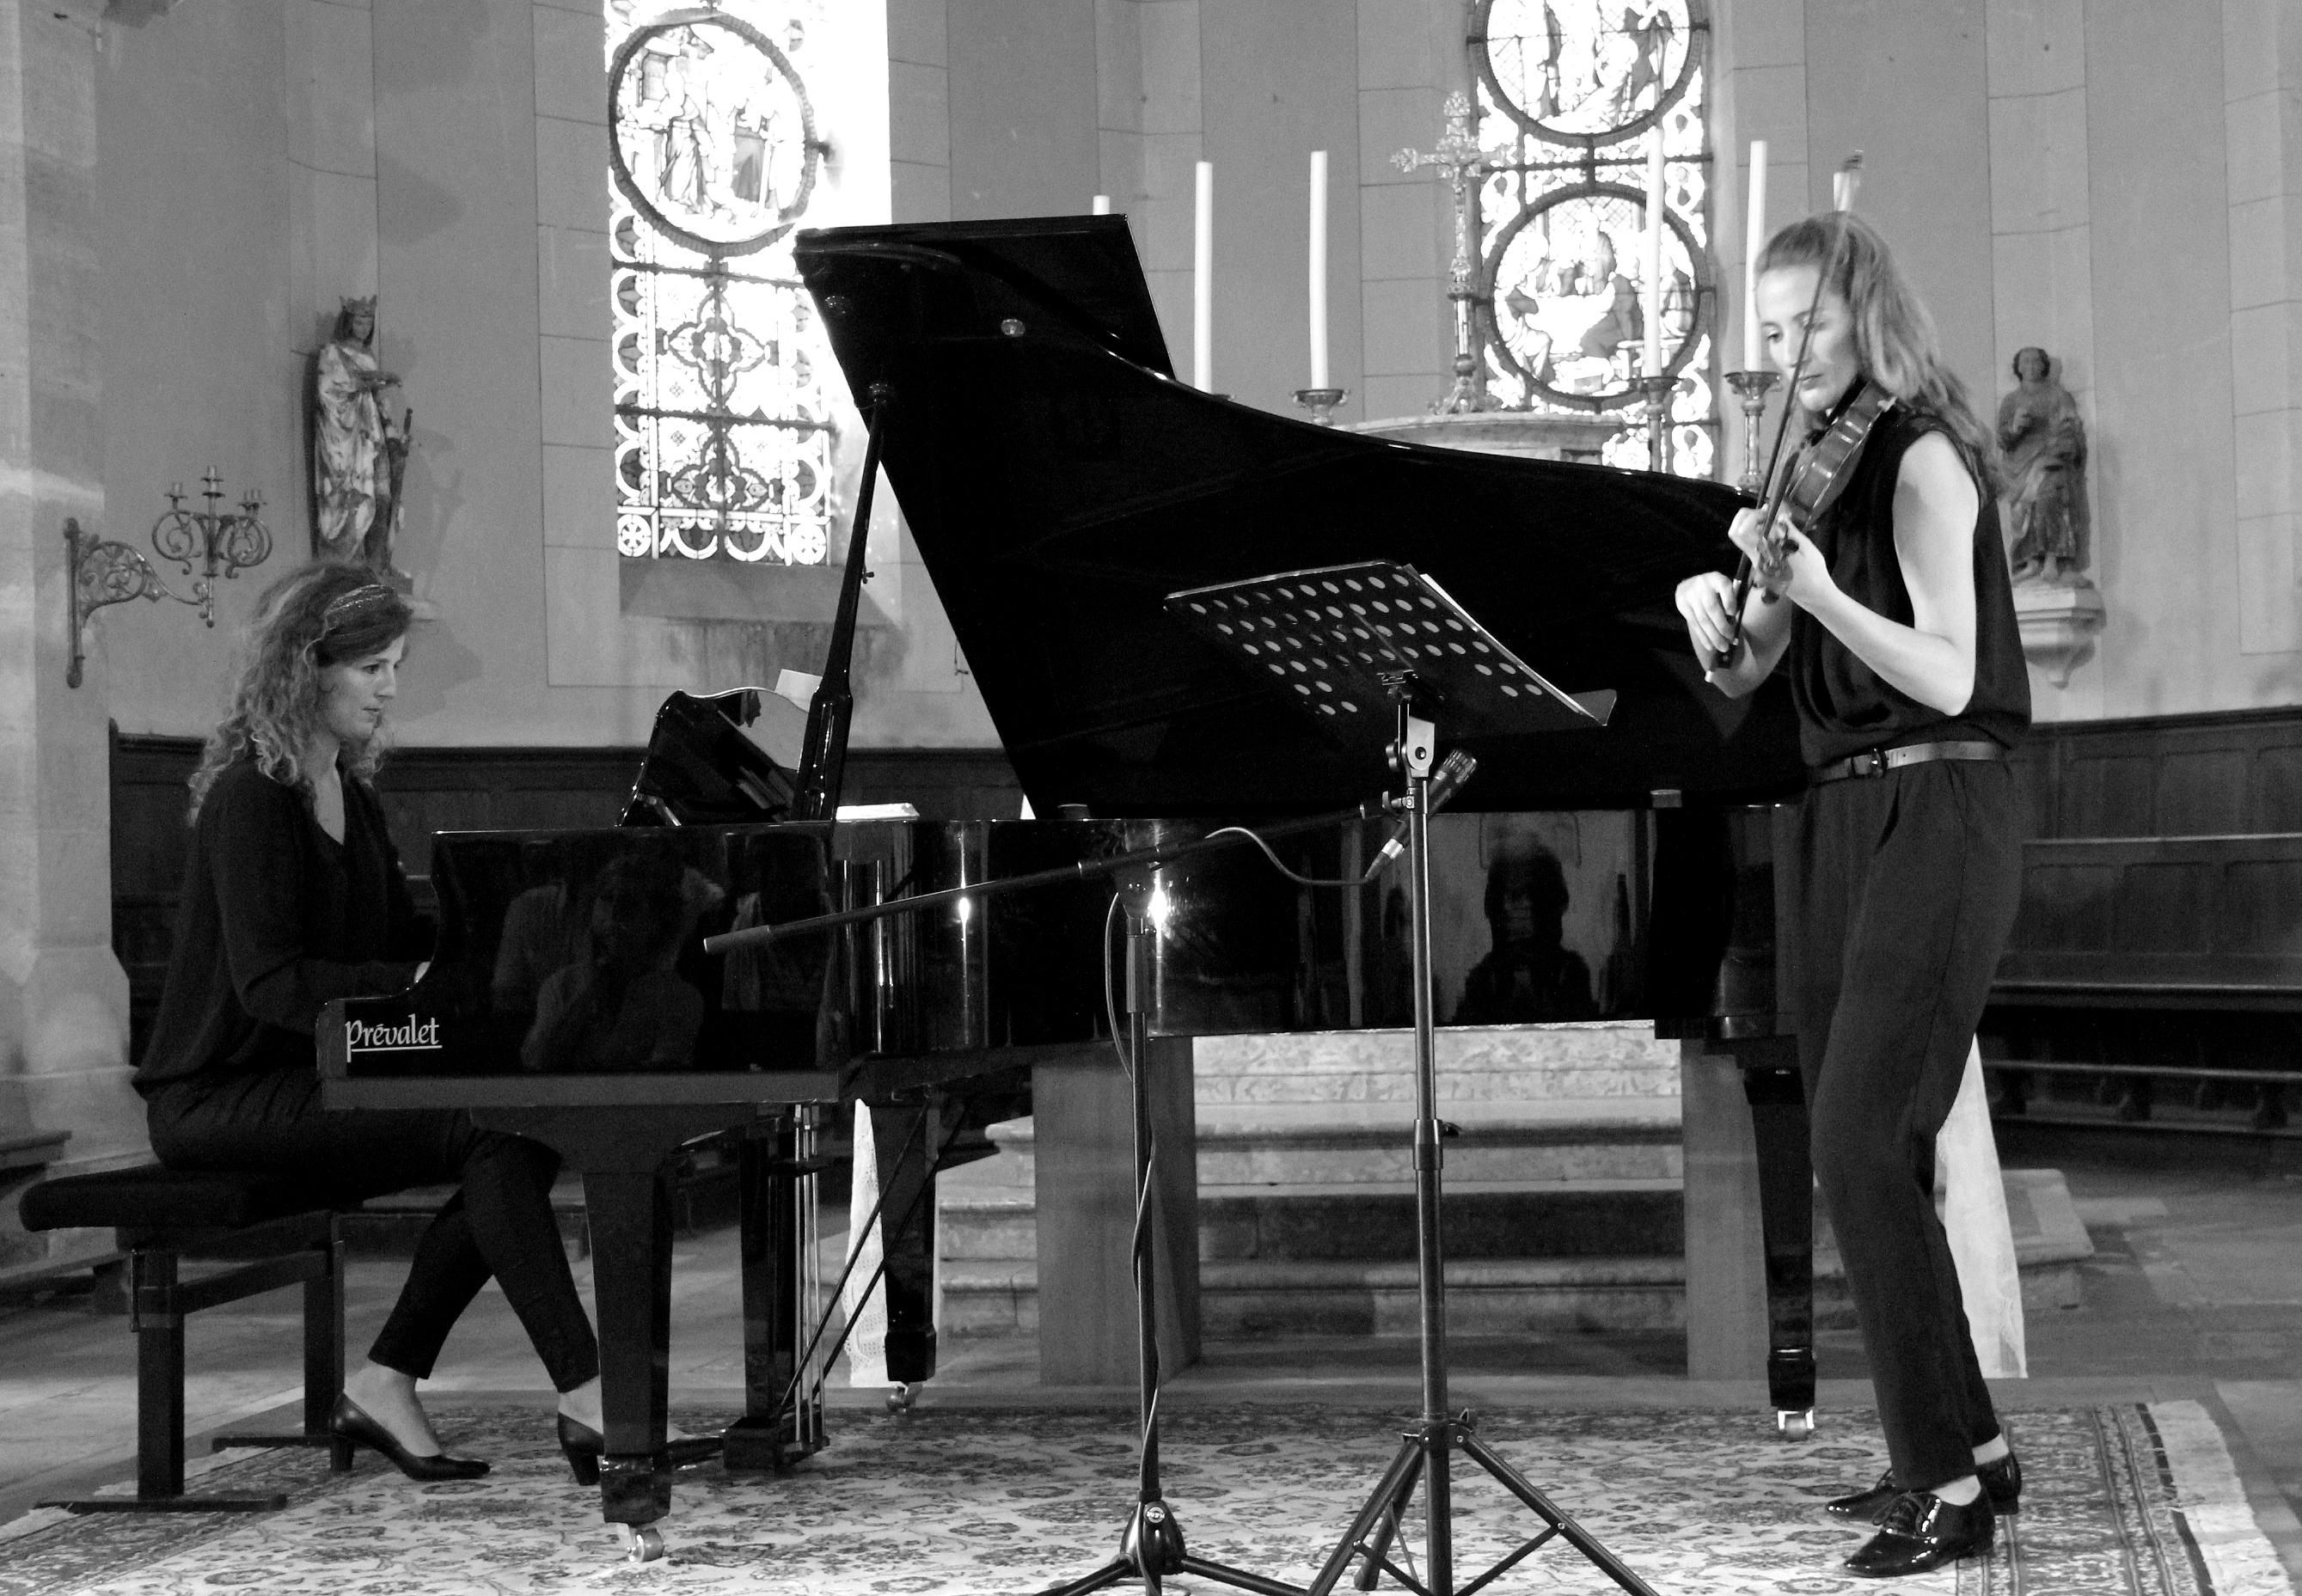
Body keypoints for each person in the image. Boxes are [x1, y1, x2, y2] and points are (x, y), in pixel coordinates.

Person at [1673, 211, 2030, 1578]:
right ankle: (1971, 1447)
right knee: (1860, 1141)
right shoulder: (1805, 470)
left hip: (1941, 796)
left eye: (1803, 329)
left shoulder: (1925, 454)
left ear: (1861, 315)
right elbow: (1745, 671)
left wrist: (1812, 591)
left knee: (1863, 1140)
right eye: (1764, 335)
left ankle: (1944, 1482)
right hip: (1835, 811)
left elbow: (1947, 672)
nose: (1784, 359)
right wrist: (1720, 610)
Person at [134, 562, 613, 1483]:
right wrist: (418, 974)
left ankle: (392, 1380)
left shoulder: (348, 791)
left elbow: (401, 937)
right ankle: (582, 1390)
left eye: (395, 665)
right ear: (307, 669)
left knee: (517, 1126)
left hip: (314, 1077)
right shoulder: (251, 796)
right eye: (373, 670)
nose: (391, 688)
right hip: (219, 1096)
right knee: (495, 1132)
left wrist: (516, 936)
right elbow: (271, 985)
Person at [310, 297, 408, 576]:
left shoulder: (368, 357)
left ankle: (377, 567)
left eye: (368, 322)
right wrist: (374, 378)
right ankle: (348, 565)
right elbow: (329, 390)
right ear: (348, 321)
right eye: (359, 321)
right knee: (354, 496)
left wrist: (392, 432)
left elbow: (379, 400)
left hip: (371, 434)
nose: (364, 327)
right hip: (346, 436)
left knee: (382, 495)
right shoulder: (333, 353)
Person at [1996, 345, 2089, 584]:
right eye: (2024, 362)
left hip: (2052, 459)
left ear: (2044, 366)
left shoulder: (2058, 396)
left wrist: (2065, 443)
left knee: (2049, 498)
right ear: (2017, 368)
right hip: (2021, 466)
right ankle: (2030, 561)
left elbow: (2072, 429)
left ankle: (2052, 558)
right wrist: (2015, 426)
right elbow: (2003, 439)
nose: (2030, 366)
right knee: (2024, 509)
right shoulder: (2011, 400)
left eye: (2035, 362)